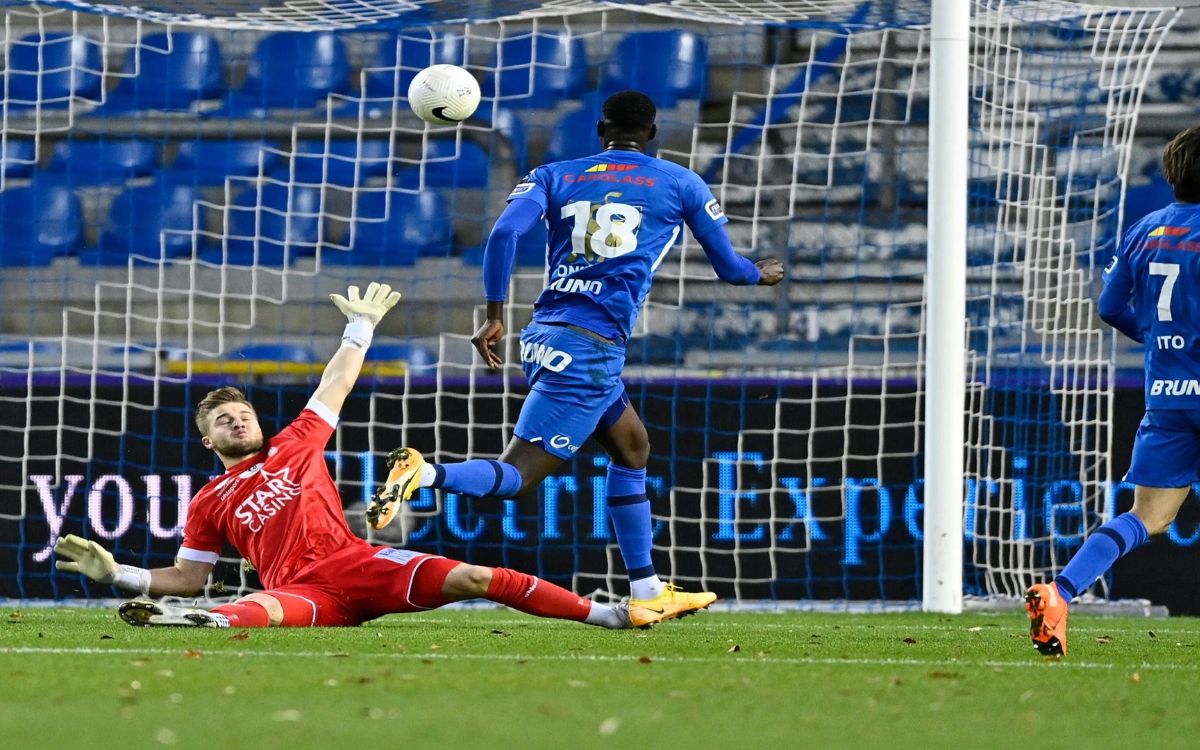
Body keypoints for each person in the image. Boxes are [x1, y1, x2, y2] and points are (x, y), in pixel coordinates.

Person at [366, 90, 786, 627]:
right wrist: (762, 272)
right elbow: (731, 269)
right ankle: (425, 475)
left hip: (543, 337)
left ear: (599, 129)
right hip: (590, 350)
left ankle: (649, 590)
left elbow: (504, 232)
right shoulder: (682, 183)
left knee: (633, 448)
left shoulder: (554, 174)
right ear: (653, 132)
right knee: (516, 477)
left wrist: (495, 313)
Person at [54, 282, 660, 630]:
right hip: (302, 590)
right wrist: (118, 575)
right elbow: (187, 575)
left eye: (242, 412)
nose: (237, 418)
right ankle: (206, 620)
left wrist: (361, 328)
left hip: (361, 563)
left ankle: (608, 617)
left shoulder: (296, 443)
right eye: (222, 420)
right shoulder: (211, 501)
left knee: (476, 577)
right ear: (209, 442)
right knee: (256, 604)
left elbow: (335, 386)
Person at [1025, 125, 1200, 656]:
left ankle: (1060, 593)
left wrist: (1156, 336)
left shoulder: (1145, 229)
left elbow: (1108, 307)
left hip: (1167, 394)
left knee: (1147, 517)